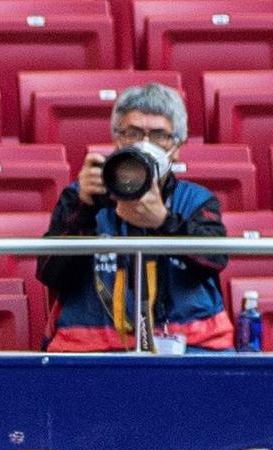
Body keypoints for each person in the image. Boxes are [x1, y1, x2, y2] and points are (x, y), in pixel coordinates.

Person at [36, 83, 234, 353]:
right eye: (133, 133)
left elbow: (214, 261)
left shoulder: (196, 200)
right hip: (92, 349)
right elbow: (50, 273)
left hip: (189, 347)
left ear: (177, 147)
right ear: (116, 140)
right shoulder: (83, 195)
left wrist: (164, 223)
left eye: (159, 135)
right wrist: (84, 209)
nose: (145, 144)